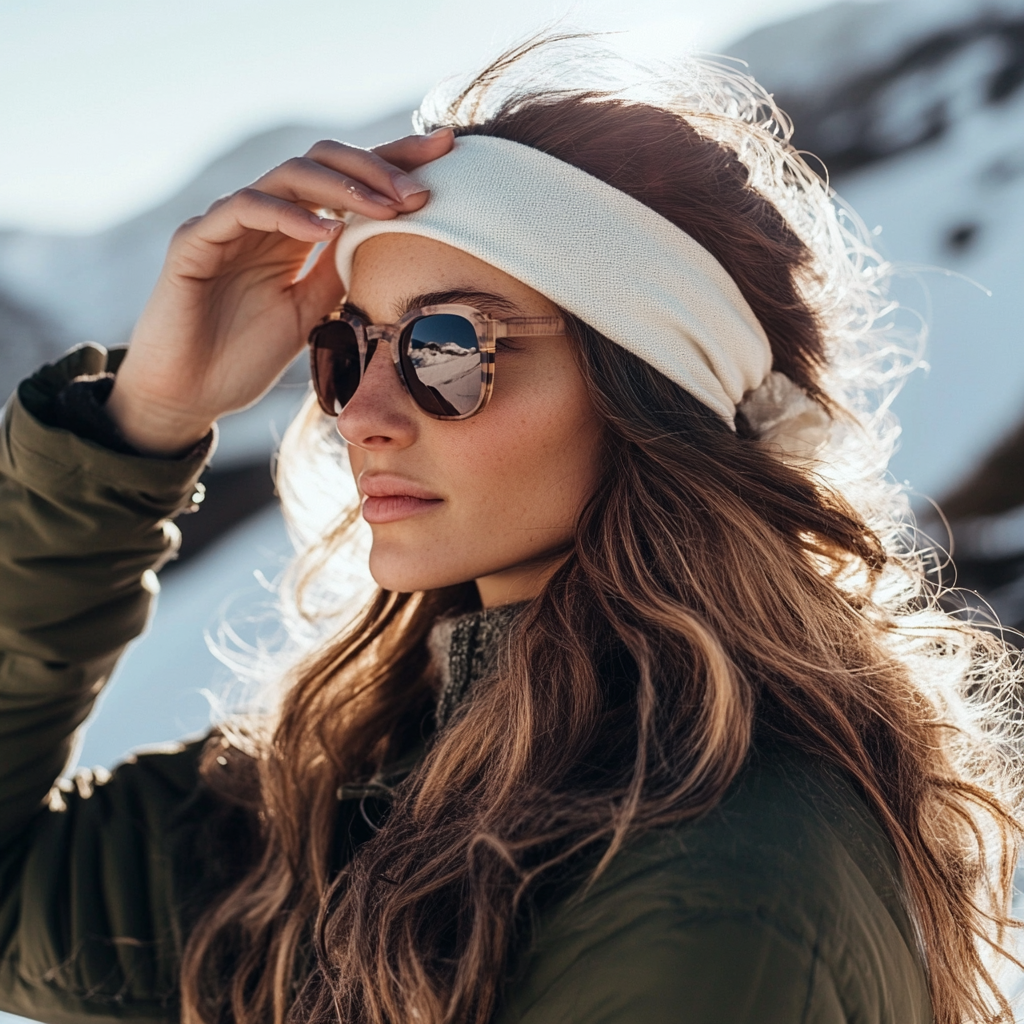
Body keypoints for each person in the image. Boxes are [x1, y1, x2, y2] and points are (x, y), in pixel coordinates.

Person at [0, 37, 1021, 1024]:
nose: (360, 415)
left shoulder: (710, 892)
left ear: (649, 388)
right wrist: (145, 418)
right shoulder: (373, 779)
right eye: (348, 348)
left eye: (446, 345)